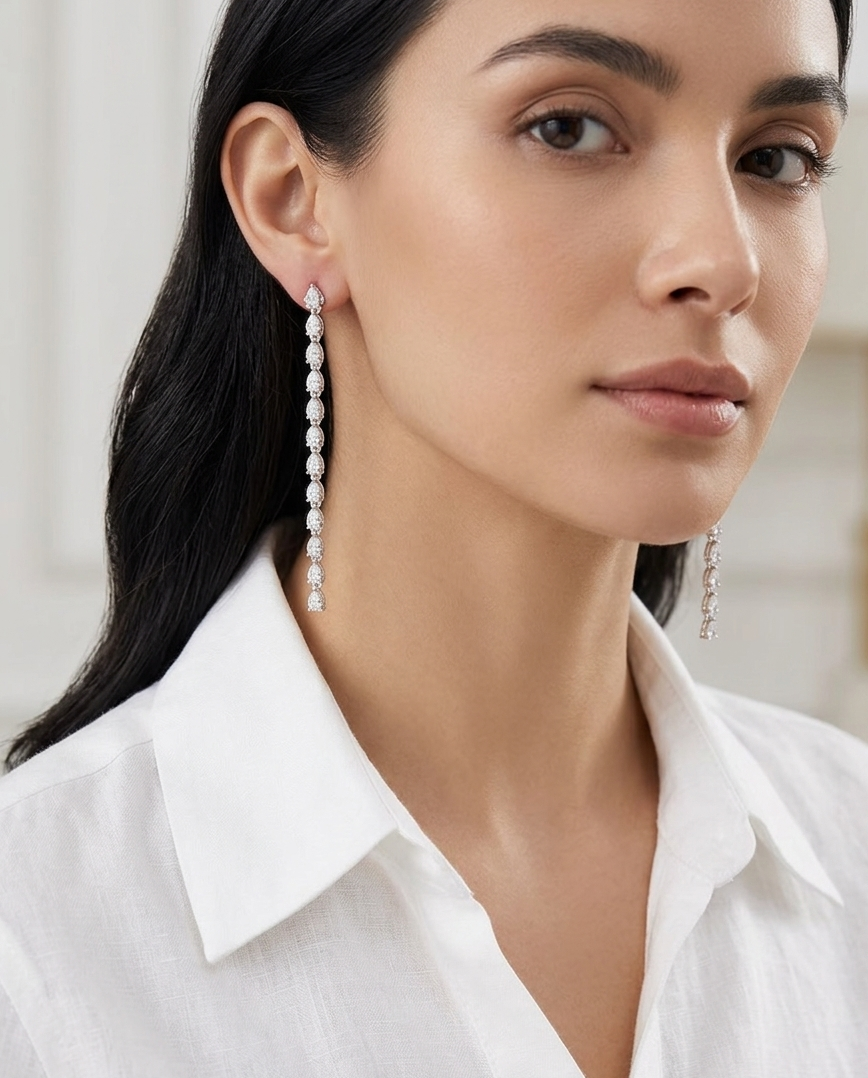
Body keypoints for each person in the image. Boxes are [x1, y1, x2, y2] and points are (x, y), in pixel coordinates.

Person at [1, 0, 866, 1074]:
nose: (722, 261)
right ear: (291, 198)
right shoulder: (34, 946)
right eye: (569, 128)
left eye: (777, 157)